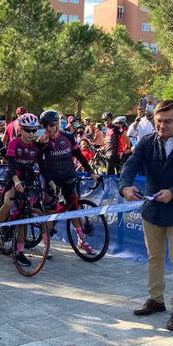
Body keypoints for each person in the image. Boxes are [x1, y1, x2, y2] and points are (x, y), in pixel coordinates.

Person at [119, 100, 173, 331]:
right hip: (152, 211)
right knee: (153, 257)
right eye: (158, 121)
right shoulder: (147, 142)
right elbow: (130, 165)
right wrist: (125, 187)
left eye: (167, 121)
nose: (162, 126)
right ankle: (156, 300)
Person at [36, 110, 100, 257]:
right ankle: (46, 245)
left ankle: (81, 240)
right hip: (52, 180)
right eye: (45, 126)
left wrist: (91, 172)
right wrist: (50, 181)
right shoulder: (43, 141)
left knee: (74, 210)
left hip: (69, 177)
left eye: (52, 125)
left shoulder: (68, 137)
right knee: (50, 214)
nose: (49, 129)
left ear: (57, 124)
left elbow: (79, 155)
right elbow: (41, 165)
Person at [0, 113, 41, 267]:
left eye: (34, 130)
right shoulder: (14, 143)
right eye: (28, 130)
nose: (31, 134)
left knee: (24, 215)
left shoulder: (36, 145)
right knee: (8, 202)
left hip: (28, 178)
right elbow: (11, 165)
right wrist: (15, 181)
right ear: (21, 130)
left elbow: (43, 164)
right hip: (13, 177)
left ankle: (19, 251)